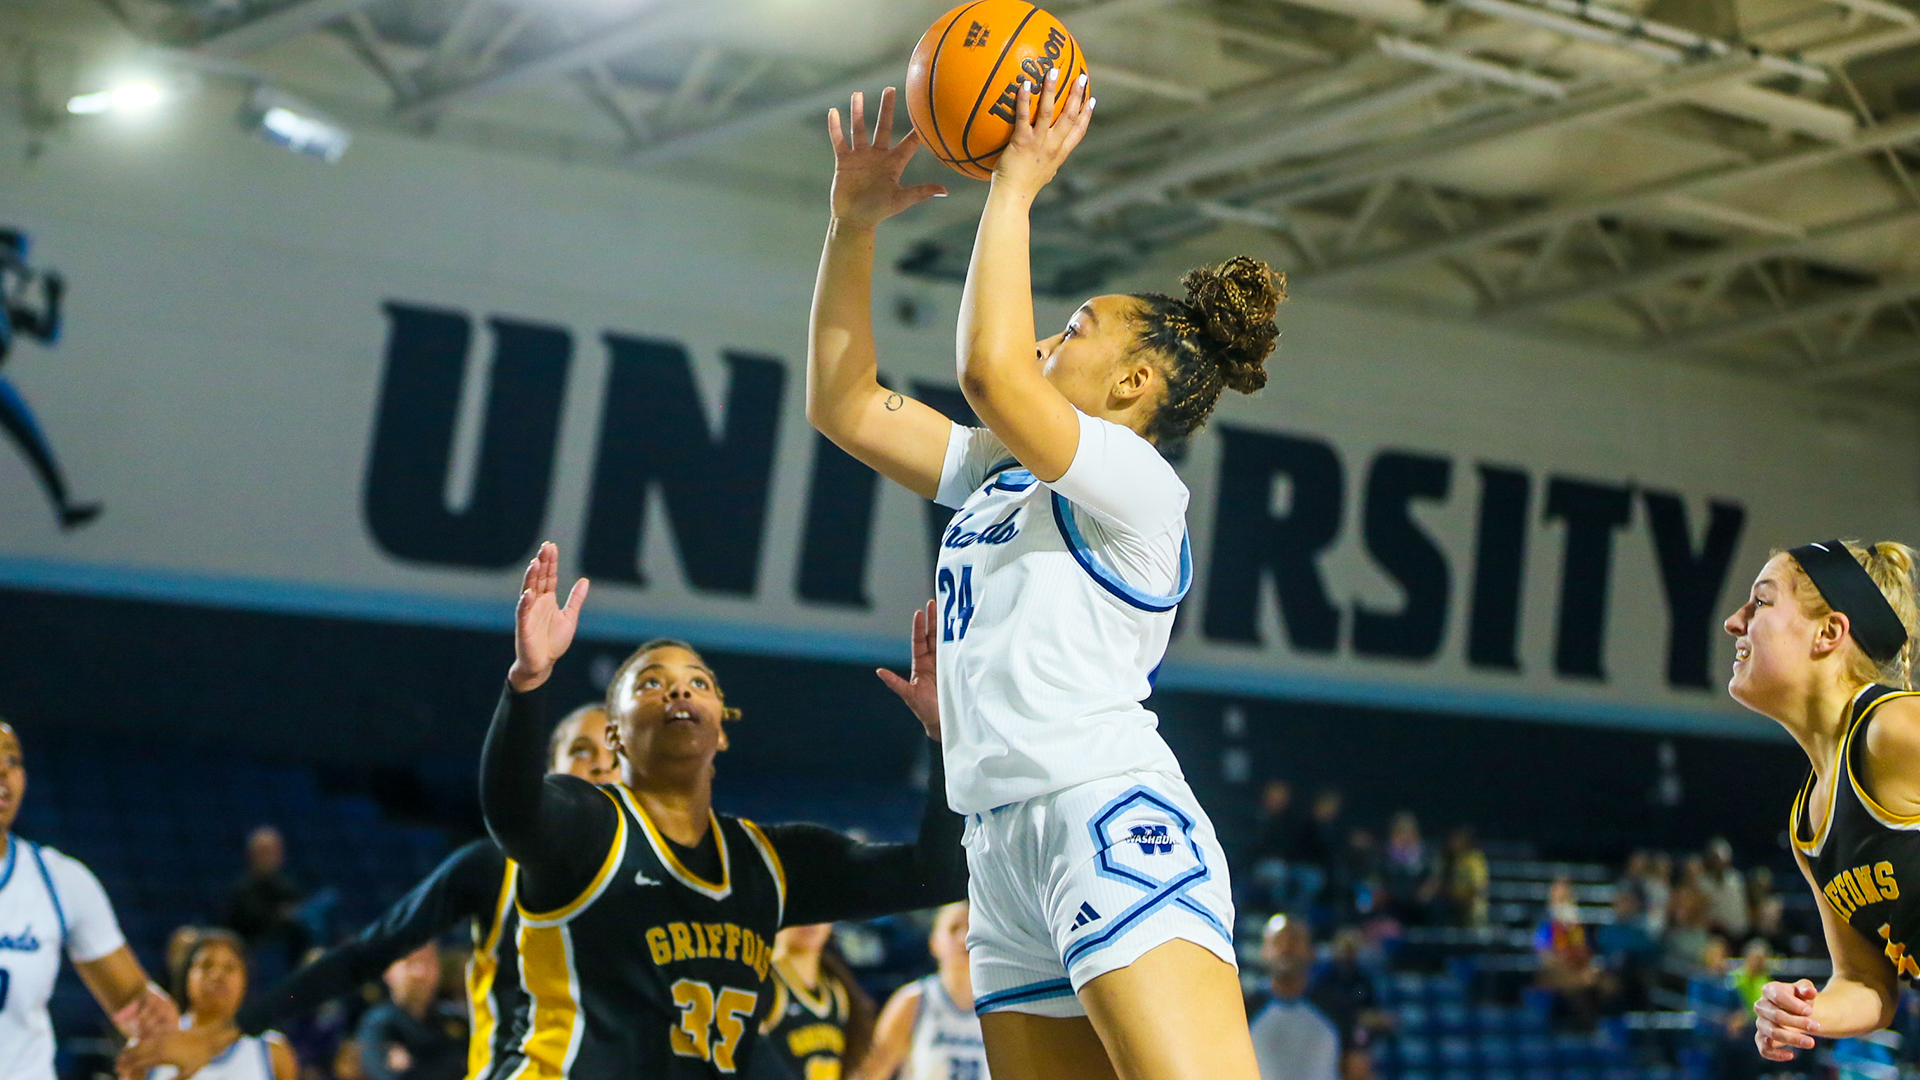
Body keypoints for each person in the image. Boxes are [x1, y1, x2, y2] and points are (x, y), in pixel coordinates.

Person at [808, 67, 1279, 1080]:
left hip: (1102, 814)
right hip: (999, 844)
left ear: (1133, 385)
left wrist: (1013, 185)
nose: (1039, 338)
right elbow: (845, 405)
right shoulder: (1001, 470)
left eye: (1070, 330)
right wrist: (852, 229)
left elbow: (988, 372)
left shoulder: (1139, 486)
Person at [482, 542, 966, 1078]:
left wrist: (943, 736)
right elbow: (513, 812)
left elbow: (937, 875)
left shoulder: (770, 862)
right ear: (614, 734)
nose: (678, 689)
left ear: (721, 731)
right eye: (651, 683)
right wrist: (527, 683)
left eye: (698, 682)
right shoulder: (590, 822)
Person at [119, 702, 619, 1080]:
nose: (599, 766)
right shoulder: (493, 869)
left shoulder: (677, 882)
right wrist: (228, 1031)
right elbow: (356, 959)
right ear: (548, 771)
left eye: (612, 754)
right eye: (581, 750)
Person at [1721, 541, 1920, 1063]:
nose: (1733, 622)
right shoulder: (1808, 825)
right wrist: (1805, 1013)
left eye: (1760, 602)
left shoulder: (1891, 730)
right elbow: (1866, 982)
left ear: (1829, 631)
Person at [0, 718, 177, 1079]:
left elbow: (135, 1006)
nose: (4, 773)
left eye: (13, 761)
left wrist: (154, 1020)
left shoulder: (60, 880)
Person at [0, 229, 97, 529]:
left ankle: (63, 507)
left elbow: (47, 334)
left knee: (31, 435)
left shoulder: (10, 308)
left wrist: (53, 300)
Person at [853, 902, 988, 1080]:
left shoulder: (997, 1004)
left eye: (972, 929)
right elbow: (869, 1074)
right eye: (953, 929)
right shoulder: (914, 1000)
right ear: (934, 942)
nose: (963, 938)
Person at [147, 929, 295, 1080]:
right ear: (187, 975)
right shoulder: (154, 1043)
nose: (217, 974)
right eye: (206, 965)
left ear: (245, 979)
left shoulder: (272, 1050)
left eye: (229, 967)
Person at [759, 923, 876, 1080]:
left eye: (817, 913)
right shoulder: (763, 982)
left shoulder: (838, 989)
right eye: (799, 908)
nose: (809, 922)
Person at [355, 944, 465, 1080]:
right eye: (410, 962)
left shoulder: (455, 1020)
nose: (420, 972)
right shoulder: (379, 1024)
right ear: (388, 971)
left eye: (428, 961)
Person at [1249, 916, 1338, 1080]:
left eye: (1294, 941)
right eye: (1277, 942)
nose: (1286, 948)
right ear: (1263, 951)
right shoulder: (1244, 1009)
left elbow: (1358, 1071)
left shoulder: (1336, 1008)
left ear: (1311, 951)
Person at [222, 826, 309, 966]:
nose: (270, 856)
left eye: (275, 851)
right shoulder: (240, 891)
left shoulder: (290, 888)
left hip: (289, 961)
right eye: (264, 851)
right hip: (250, 962)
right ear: (251, 854)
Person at [1700, 839, 1750, 940]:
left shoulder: (1736, 880)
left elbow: (1741, 913)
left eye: (1724, 858)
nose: (1720, 862)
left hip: (1735, 934)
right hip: (1709, 933)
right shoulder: (1702, 882)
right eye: (1717, 858)